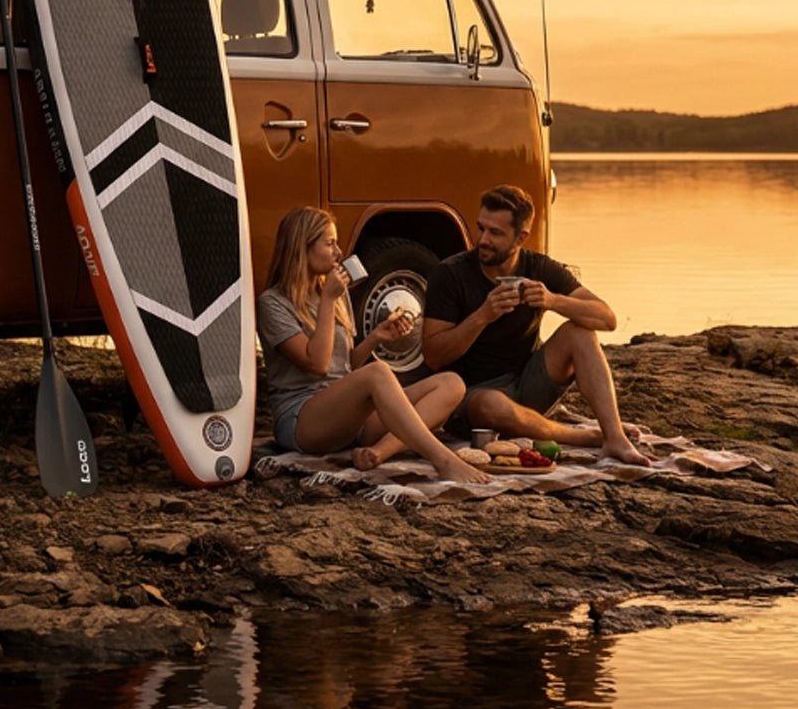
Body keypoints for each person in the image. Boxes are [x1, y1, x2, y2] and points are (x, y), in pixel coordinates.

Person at [421, 184, 650, 466]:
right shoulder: (450, 274)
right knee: (489, 403)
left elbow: (607, 318)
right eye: (481, 228)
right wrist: (482, 315)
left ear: (521, 238)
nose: (483, 239)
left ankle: (614, 436)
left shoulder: (539, 267)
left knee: (579, 331)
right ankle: (588, 437)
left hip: (527, 383)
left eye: (495, 233)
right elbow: (433, 356)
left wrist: (553, 301)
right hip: (472, 399)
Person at [258, 207, 489, 485]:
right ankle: (443, 460)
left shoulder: (332, 294)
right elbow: (318, 365)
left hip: (348, 421)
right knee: (378, 372)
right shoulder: (273, 303)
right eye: (329, 243)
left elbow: (344, 369)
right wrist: (329, 301)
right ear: (301, 247)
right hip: (303, 421)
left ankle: (378, 452)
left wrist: (375, 338)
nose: (338, 252)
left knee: (451, 384)